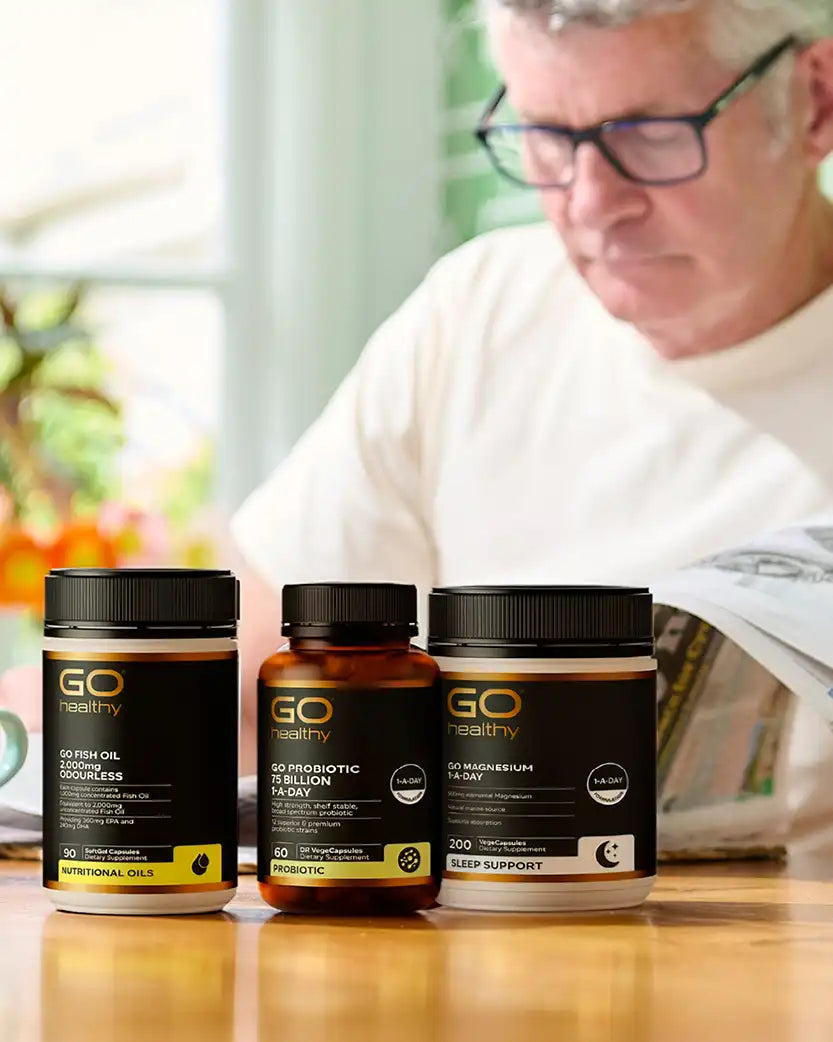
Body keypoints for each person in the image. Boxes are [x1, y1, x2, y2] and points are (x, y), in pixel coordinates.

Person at [4, 0, 833, 852]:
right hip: (473, 956)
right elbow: (239, 677)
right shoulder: (478, 313)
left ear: (813, 103)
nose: (591, 204)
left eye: (652, 135)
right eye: (546, 136)